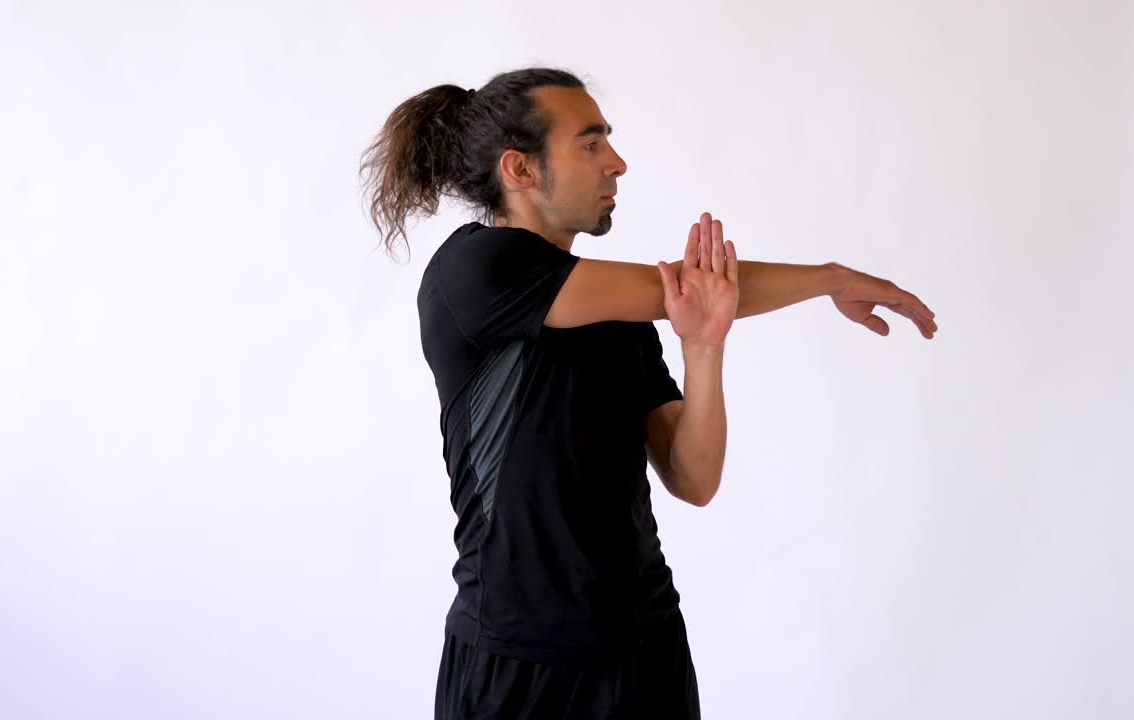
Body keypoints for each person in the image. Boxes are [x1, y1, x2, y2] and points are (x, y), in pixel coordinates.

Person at [358, 67, 938, 719]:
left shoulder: (618, 314)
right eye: (591, 143)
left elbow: (694, 477)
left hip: (644, 651)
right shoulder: (478, 268)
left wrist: (703, 348)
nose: (618, 163)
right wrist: (831, 278)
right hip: (518, 663)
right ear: (520, 170)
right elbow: (682, 289)